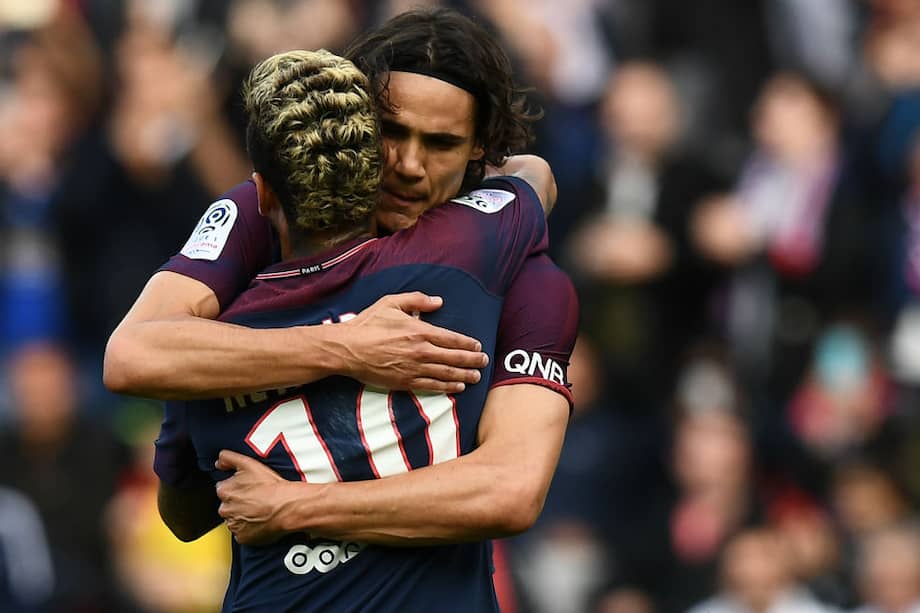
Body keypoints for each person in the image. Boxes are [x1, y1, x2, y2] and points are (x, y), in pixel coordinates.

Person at [106, 5, 576, 552]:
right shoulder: (262, 215)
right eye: (391, 131)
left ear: (480, 149)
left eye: (440, 143)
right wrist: (344, 347)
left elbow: (513, 490)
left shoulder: (514, 266)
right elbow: (131, 356)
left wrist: (297, 506)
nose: (407, 164)